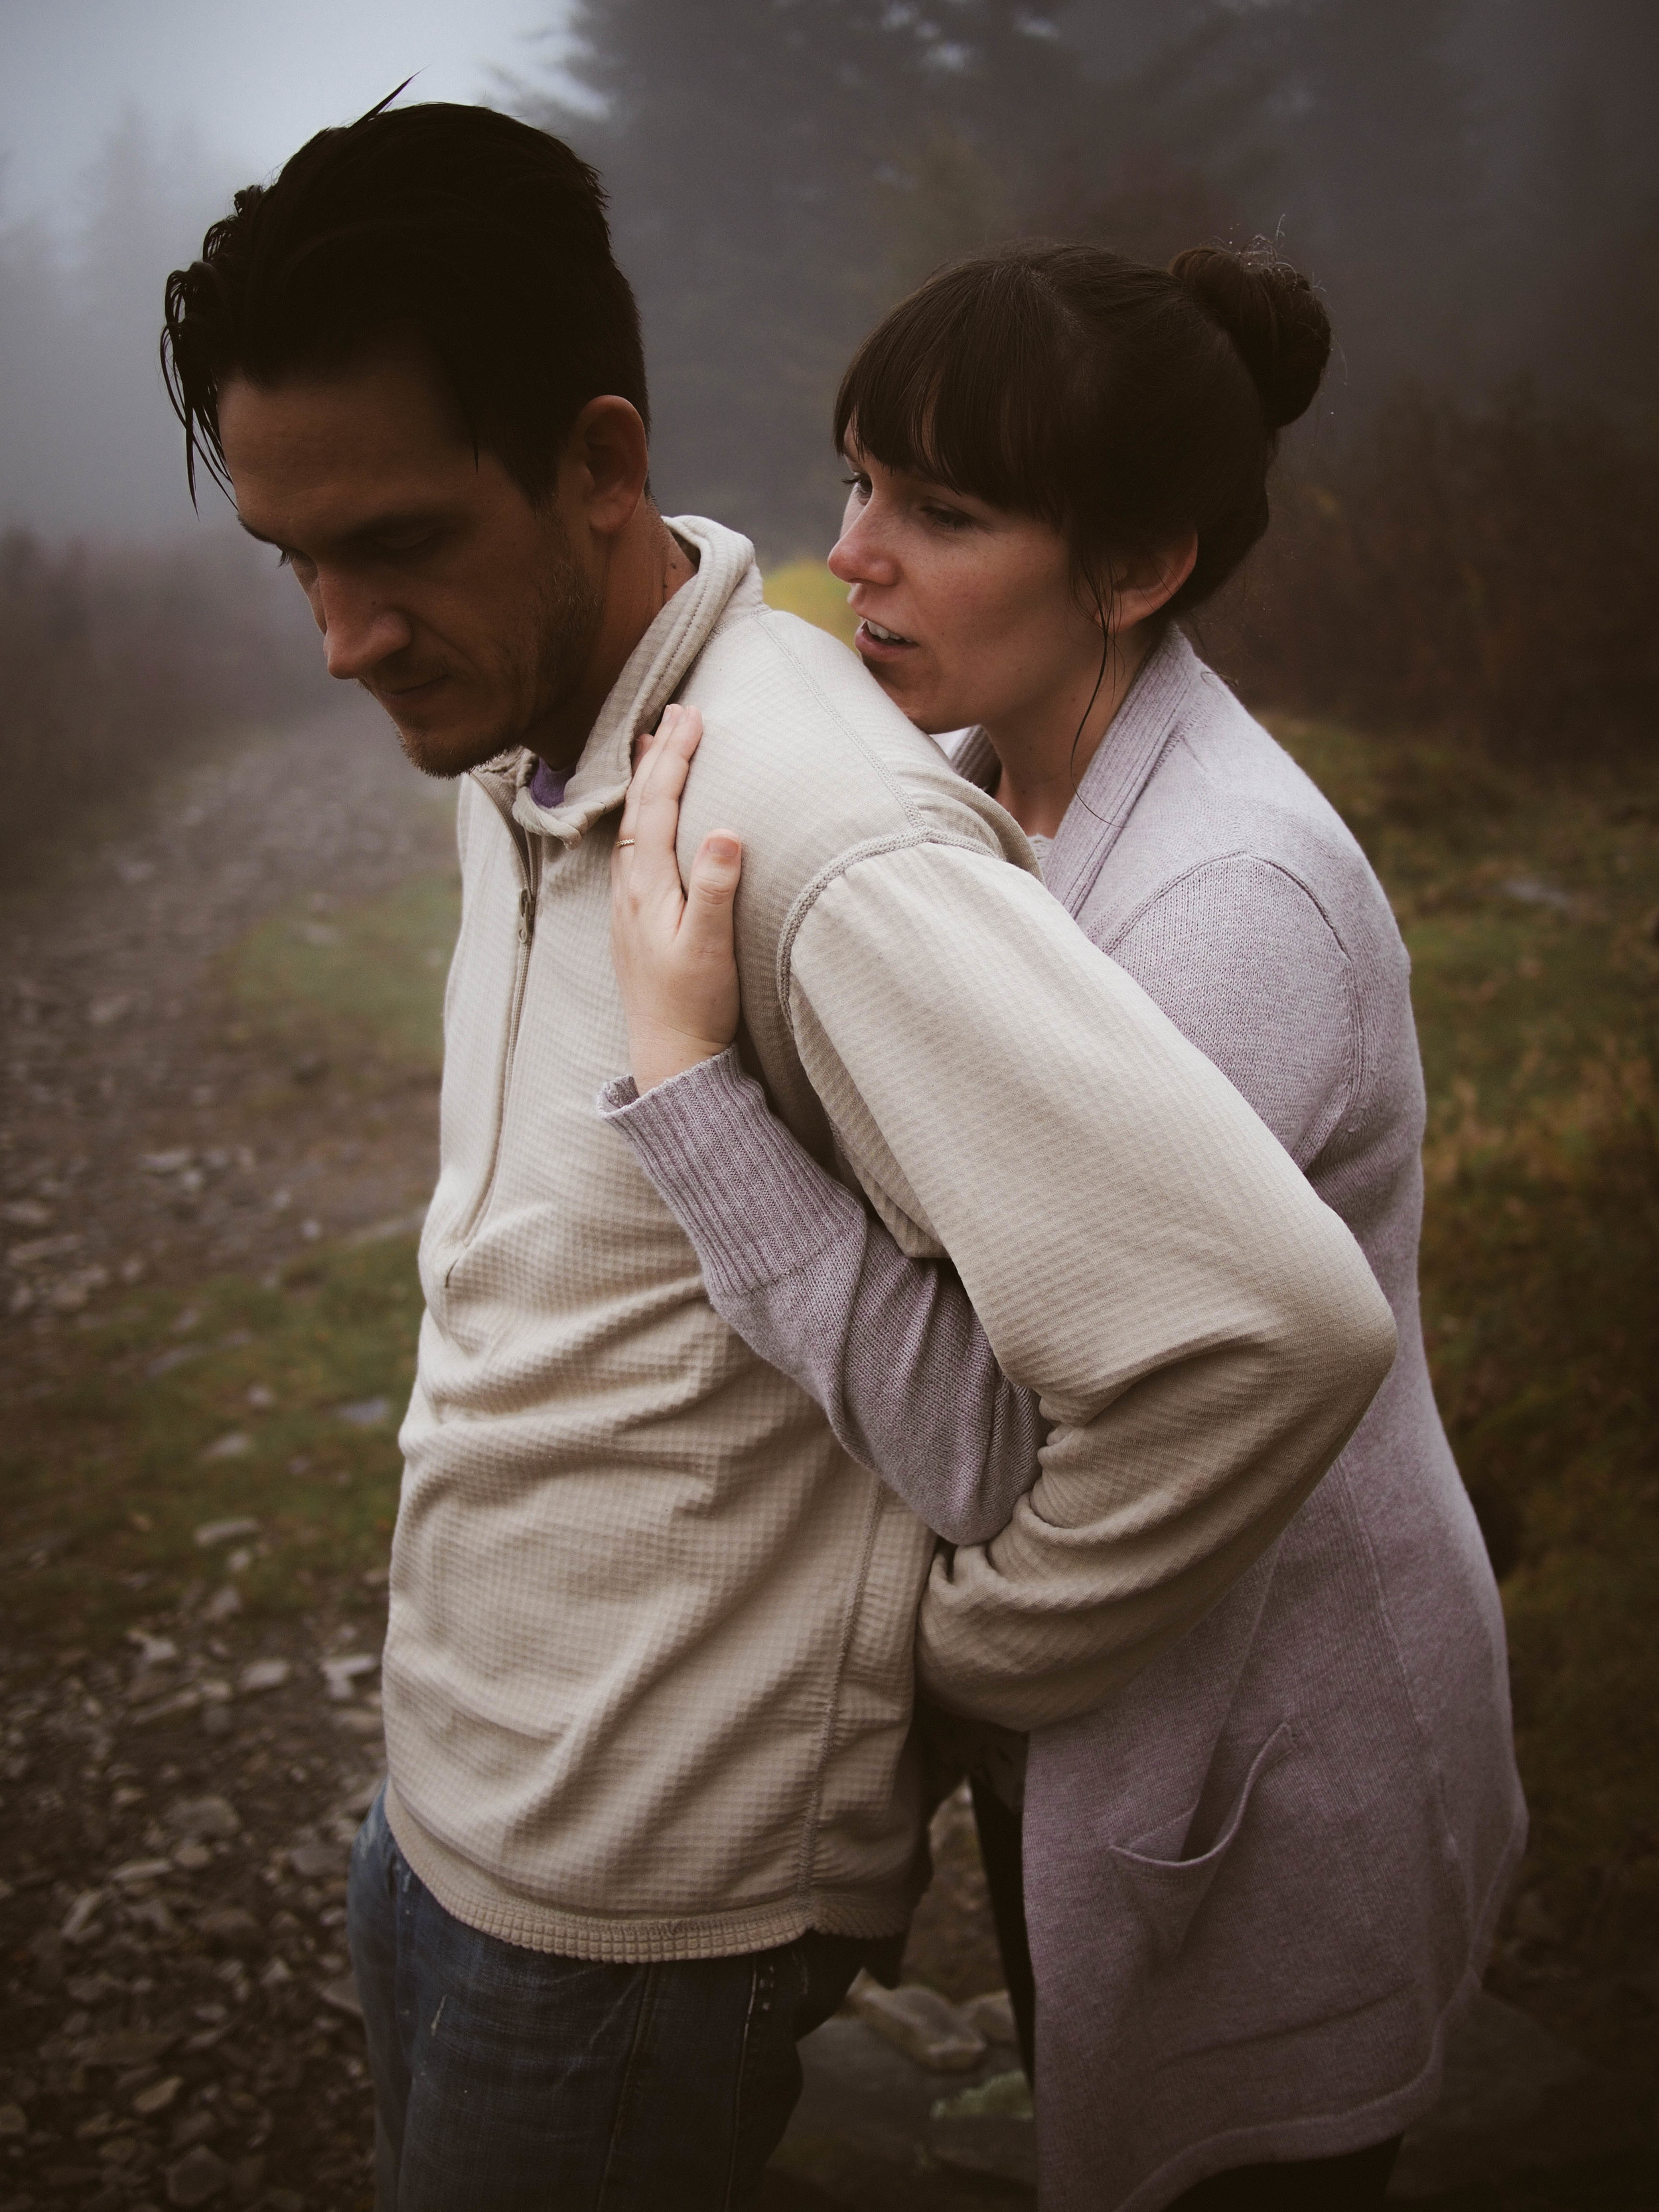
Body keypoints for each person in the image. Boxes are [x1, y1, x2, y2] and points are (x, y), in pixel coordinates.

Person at [161, 104, 1396, 2211]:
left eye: (395, 546)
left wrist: (963, 1651)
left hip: (634, 1908)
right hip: (456, 1807)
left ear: (599, 465)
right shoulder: (536, 709)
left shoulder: (817, 833)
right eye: (297, 560)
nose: (343, 637)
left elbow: (1256, 1338)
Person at [605, 242, 1526, 2211]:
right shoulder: (969, 798)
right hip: (1123, 1720)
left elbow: (1024, 1449)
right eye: (857, 480)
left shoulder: (1225, 907)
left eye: (942, 511)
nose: (851, 553)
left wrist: (697, 1098)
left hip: (1281, 1750)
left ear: (1133, 571)